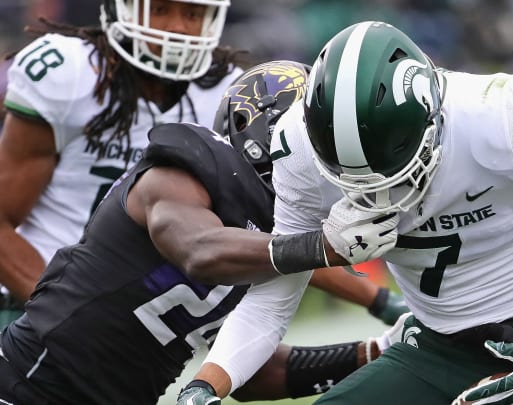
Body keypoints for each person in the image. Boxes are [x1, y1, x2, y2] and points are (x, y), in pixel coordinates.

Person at [268, 21, 513, 404]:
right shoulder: (298, 148)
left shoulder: (499, 118)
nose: (374, 187)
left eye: (390, 156)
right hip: (437, 345)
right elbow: (273, 285)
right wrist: (209, 385)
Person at [0, 59, 401, 404]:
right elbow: (200, 250)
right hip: (27, 384)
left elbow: (249, 368)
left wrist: (377, 351)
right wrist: (322, 246)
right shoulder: (179, 176)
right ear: (263, 127)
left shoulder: (267, 232)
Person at [0, 0, 405, 328]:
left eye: (192, 13)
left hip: (137, 310)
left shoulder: (230, 95)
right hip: (31, 303)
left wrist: (381, 301)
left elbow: (272, 233)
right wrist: (54, 310)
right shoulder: (70, 74)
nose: (177, 28)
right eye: (160, 9)